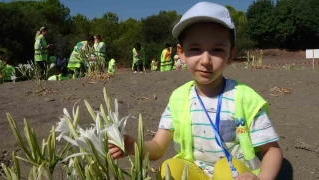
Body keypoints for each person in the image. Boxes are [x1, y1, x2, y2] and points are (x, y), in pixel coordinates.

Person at [109, 2, 283, 180]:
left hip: (233, 173)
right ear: (181, 53)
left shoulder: (245, 99)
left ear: (230, 54)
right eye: (195, 49)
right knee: (168, 168)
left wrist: (260, 178)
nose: (205, 60)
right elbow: (158, 147)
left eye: (217, 50)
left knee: (224, 168)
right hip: (195, 171)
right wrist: (133, 145)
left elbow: (272, 151)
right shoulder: (179, 99)